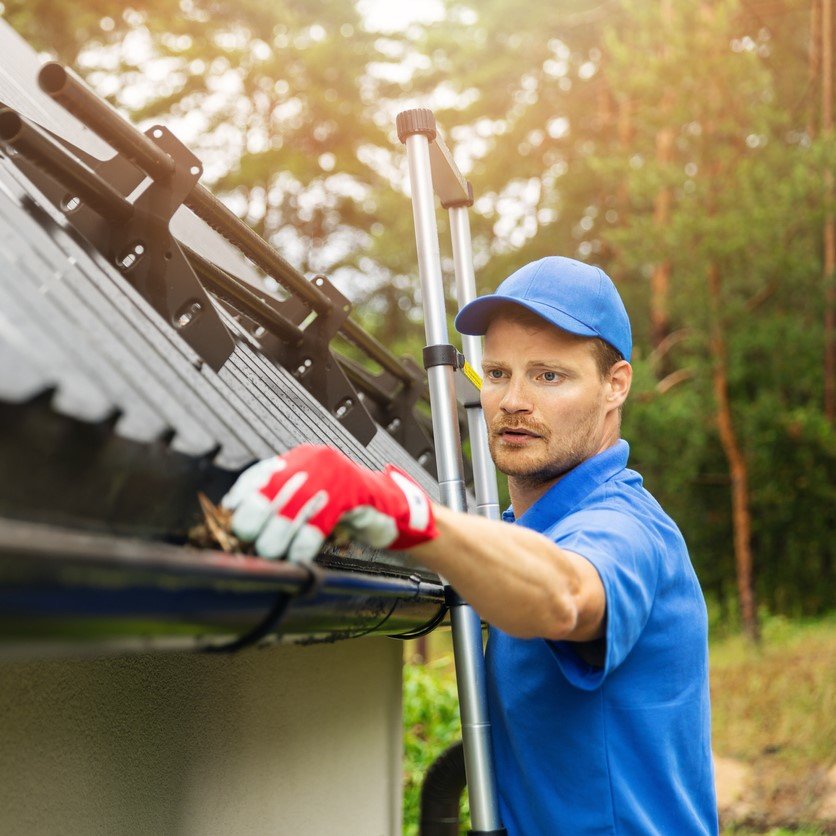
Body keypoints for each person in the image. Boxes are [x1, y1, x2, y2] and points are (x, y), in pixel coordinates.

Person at [222, 256, 718, 835]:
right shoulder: (520, 532)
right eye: (499, 373)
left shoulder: (625, 527)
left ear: (616, 385)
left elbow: (566, 594)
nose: (512, 400)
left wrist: (409, 517)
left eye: (548, 375)